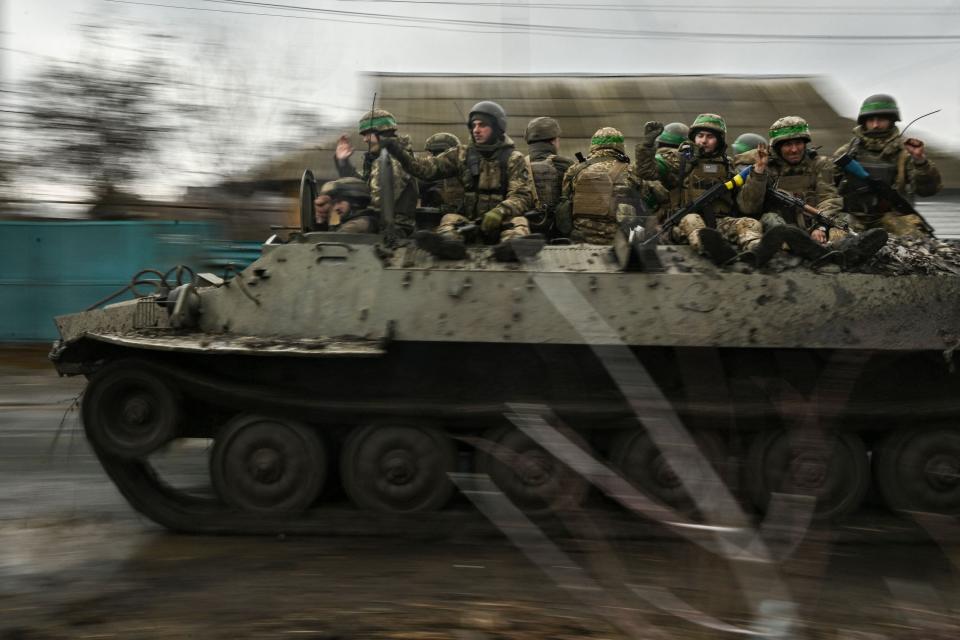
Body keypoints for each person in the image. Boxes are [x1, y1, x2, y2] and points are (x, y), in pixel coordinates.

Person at [381, 100, 536, 261]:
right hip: (470, 223)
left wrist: (499, 211)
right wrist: (399, 152)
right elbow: (427, 169)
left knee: (519, 221)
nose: (476, 130)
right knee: (449, 219)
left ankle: (512, 248)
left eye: (482, 125)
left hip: (503, 222)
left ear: (497, 128)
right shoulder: (462, 154)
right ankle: (449, 245)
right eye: (473, 125)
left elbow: (521, 196)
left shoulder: (513, 158)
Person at [736, 116, 886, 266]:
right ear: (777, 147)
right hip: (785, 227)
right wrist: (759, 173)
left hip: (816, 222)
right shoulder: (765, 168)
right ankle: (799, 252)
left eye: (798, 143)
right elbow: (749, 207)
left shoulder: (819, 164)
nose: (794, 149)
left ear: (805, 143)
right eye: (788, 144)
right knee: (770, 218)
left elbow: (828, 199)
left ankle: (843, 251)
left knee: (843, 219)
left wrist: (819, 226)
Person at [635, 114, 764, 265]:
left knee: (750, 223)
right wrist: (647, 146)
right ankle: (716, 251)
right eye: (700, 136)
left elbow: (747, 206)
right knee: (693, 220)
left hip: (719, 223)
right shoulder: (681, 159)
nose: (703, 141)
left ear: (719, 140)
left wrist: (759, 173)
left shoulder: (728, 165)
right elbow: (646, 171)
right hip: (683, 223)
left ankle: (756, 251)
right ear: (693, 138)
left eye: (710, 136)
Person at [833, 94, 942, 236]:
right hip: (852, 217)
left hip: (891, 218)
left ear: (891, 121)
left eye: (881, 119)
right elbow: (828, 189)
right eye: (871, 120)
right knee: (835, 238)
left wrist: (920, 161)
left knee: (917, 239)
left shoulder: (905, 153)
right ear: (864, 122)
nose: (876, 125)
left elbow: (927, 190)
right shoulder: (847, 153)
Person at [559, 126, 652, 244]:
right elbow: (645, 202)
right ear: (620, 147)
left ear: (593, 145)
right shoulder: (631, 170)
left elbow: (564, 201)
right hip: (619, 242)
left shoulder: (575, 170)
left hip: (581, 239)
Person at [334, 108, 419, 235]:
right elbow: (362, 188)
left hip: (394, 227)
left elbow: (377, 201)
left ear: (381, 132)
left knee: (348, 231)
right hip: (380, 222)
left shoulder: (393, 159)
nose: (365, 140)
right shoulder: (380, 158)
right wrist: (343, 163)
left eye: (367, 134)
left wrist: (353, 207)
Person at [523, 116, 575, 237]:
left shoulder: (517, 164)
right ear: (553, 141)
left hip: (524, 231)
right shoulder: (565, 164)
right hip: (557, 233)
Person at [418, 132, 464, 213]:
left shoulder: (461, 170)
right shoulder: (429, 171)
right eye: (433, 153)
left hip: (455, 216)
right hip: (430, 216)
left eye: (437, 153)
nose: (434, 157)